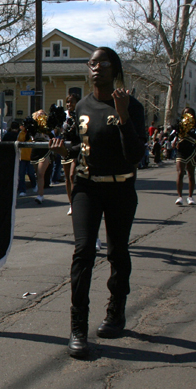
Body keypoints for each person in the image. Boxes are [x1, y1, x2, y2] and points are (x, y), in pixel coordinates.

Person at [49, 47, 146, 359]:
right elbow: (79, 146)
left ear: (114, 69)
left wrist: (125, 114)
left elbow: (135, 155)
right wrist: (64, 151)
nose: (96, 68)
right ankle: (78, 329)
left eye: (103, 63)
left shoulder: (132, 106)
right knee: (83, 252)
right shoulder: (82, 107)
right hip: (87, 188)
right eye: (92, 63)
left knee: (118, 252)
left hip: (121, 188)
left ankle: (116, 311)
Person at [172, 107, 196, 206]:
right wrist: (175, 137)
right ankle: (179, 197)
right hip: (181, 151)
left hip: (191, 151)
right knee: (180, 173)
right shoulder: (179, 126)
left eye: (189, 113)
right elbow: (172, 137)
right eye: (185, 113)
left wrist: (188, 131)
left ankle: (190, 197)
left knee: (191, 174)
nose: (187, 114)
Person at [62, 94, 80, 214]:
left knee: (73, 175)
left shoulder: (80, 114)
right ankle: (71, 203)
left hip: (77, 146)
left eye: (72, 102)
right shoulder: (63, 115)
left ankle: (76, 202)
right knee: (67, 177)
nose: (69, 105)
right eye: (68, 102)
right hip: (65, 147)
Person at [15, 121, 36, 197]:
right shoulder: (21, 134)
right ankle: (22, 190)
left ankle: (34, 185)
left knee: (31, 173)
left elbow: (33, 141)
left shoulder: (31, 134)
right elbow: (18, 142)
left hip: (30, 157)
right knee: (21, 174)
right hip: (22, 157)